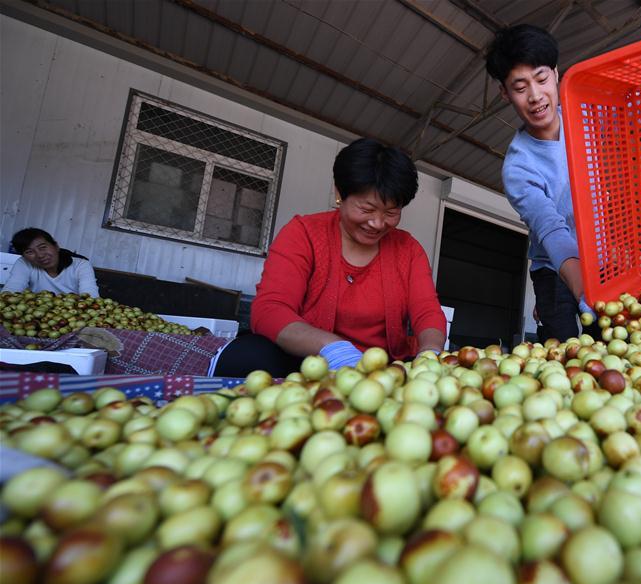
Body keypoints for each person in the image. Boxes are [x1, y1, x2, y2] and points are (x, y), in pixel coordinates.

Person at [213, 138, 446, 377]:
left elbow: (427, 311)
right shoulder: (303, 233)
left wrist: (430, 353)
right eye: (366, 209)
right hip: (308, 361)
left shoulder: (408, 250)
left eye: (391, 213)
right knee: (246, 358)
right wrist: (334, 349)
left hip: (383, 371)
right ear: (339, 193)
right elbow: (270, 309)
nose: (377, 223)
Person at [486, 24, 598, 342]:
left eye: (541, 78)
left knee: (614, 344)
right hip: (554, 266)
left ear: (556, 73)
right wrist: (582, 288)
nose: (535, 97)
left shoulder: (590, 121)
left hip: (605, 258)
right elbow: (549, 228)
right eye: (520, 87)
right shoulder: (518, 168)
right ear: (505, 93)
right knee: (564, 348)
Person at [2, 228, 99, 297]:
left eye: (43, 247)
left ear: (56, 246)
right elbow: (10, 293)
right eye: (29, 252)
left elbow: (90, 297)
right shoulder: (23, 263)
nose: (40, 255)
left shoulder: (81, 265)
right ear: (24, 256)